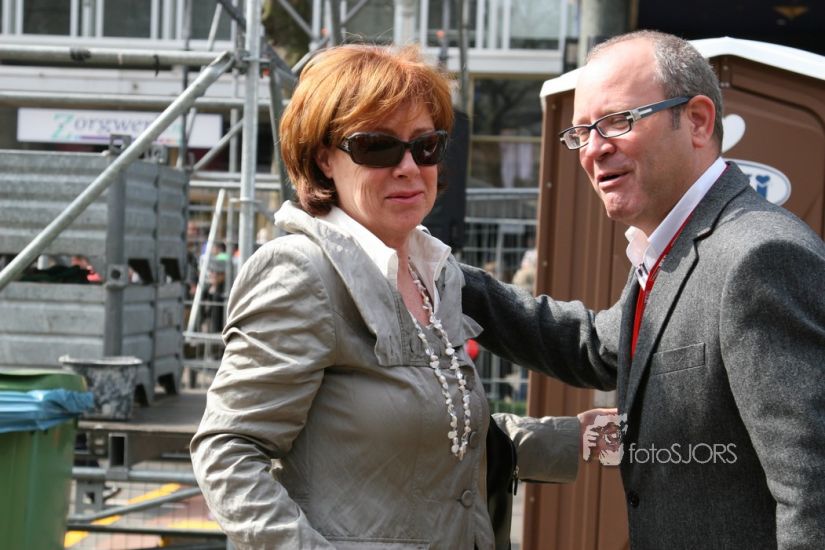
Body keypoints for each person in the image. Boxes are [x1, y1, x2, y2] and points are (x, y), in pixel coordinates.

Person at [190, 44, 609, 550]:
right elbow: (227, 453)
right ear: (323, 159)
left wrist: (573, 438)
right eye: (377, 147)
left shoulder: (435, 273)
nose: (409, 166)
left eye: (426, 146)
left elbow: (426, 433)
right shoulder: (301, 273)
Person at [461, 30, 825, 549]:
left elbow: (811, 491)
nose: (594, 148)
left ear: (697, 121)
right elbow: (594, 344)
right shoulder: (672, 247)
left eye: (617, 121)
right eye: (582, 131)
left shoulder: (758, 257)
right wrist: (449, 279)